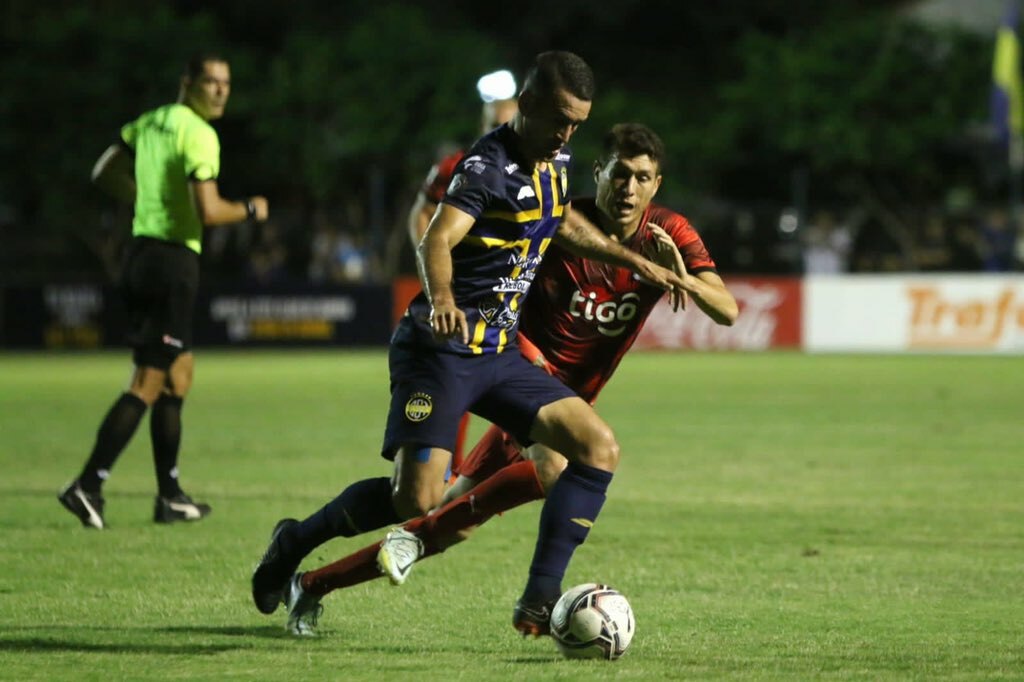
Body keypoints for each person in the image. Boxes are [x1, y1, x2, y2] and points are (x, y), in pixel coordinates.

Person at [251, 51, 690, 637]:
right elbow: (436, 239)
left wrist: (632, 260)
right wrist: (443, 299)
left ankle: (539, 602)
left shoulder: (556, 159)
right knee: (416, 500)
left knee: (596, 447)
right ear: (527, 104)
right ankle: (294, 541)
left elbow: (560, 222)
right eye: (561, 119)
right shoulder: (487, 167)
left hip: (499, 354)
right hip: (441, 349)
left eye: (578, 124)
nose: (568, 134)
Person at [58, 52, 269, 529]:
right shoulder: (199, 133)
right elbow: (210, 212)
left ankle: (169, 496)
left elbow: (103, 172)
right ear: (188, 83)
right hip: (171, 264)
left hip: (141, 255)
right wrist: (251, 210)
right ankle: (87, 485)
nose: (221, 91)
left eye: (226, 83)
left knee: (179, 376)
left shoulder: (150, 122)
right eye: (211, 82)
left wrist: (145, 197)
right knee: (148, 382)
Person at [406, 70, 519, 476]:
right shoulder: (460, 164)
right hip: (465, 300)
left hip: (511, 299)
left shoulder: (539, 168)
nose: (500, 129)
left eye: (507, 121)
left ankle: (498, 475)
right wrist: (436, 270)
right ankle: (445, 478)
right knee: (452, 391)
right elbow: (421, 215)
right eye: (494, 122)